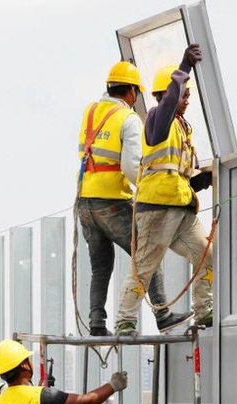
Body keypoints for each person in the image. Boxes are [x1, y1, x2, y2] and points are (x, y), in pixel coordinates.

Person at [77, 61, 190, 335]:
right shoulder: (127, 119)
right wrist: (148, 190)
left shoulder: (90, 112)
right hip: (113, 202)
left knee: (100, 267)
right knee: (148, 253)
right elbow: (131, 166)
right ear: (132, 91)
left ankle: (96, 322)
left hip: (85, 202)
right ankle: (162, 313)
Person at [115, 44, 215, 336]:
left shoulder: (183, 129)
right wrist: (184, 67)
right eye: (183, 95)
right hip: (156, 210)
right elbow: (170, 102)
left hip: (180, 208)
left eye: (187, 96)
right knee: (144, 267)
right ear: (165, 94)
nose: (186, 100)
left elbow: (176, 173)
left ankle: (204, 310)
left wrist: (204, 179)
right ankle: (125, 321)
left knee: (206, 254)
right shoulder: (158, 118)